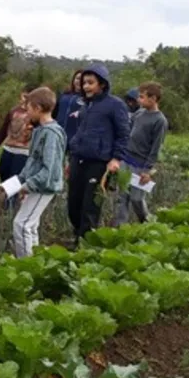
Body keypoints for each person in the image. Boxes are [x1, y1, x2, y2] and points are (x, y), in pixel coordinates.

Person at [67, 63, 130, 245]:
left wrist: (116, 158)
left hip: (99, 163)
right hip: (78, 158)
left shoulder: (115, 105)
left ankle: (84, 244)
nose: (86, 86)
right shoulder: (86, 106)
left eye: (90, 82)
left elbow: (123, 134)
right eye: (84, 83)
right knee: (73, 204)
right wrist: (72, 154)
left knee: (90, 206)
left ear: (102, 84)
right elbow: (80, 131)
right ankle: (78, 235)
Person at [12, 87, 66, 258]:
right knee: (30, 225)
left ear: (38, 108)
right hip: (36, 184)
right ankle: (35, 262)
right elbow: (32, 162)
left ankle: (27, 266)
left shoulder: (51, 134)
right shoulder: (40, 131)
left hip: (44, 186)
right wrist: (18, 181)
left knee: (22, 225)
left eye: (28, 109)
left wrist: (28, 185)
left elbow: (49, 168)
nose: (26, 113)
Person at [115, 82, 168, 225]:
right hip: (126, 160)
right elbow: (128, 133)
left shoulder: (160, 121)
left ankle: (147, 223)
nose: (139, 100)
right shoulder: (138, 114)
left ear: (154, 98)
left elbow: (156, 148)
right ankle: (119, 228)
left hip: (140, 164)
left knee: (136, 199)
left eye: (142, 97)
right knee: (122, 197)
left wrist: (147, 170)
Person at [0, 83, 38, 209]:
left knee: (15, 178)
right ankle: (8, 201)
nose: (25, 99)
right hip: (8, 148)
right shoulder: (14, 111)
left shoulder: (35, 115)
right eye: (24, 95)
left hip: (23, 152)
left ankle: (11, 206)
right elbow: (3, 130)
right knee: (4, 173)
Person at [53, 70, 84, 146]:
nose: (79, 81)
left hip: (75, 140)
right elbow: (53, 114)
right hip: (57, 136)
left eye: (83, 80)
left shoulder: (88, 99)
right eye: (78, 78)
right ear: (73, 79)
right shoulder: (63, 95)